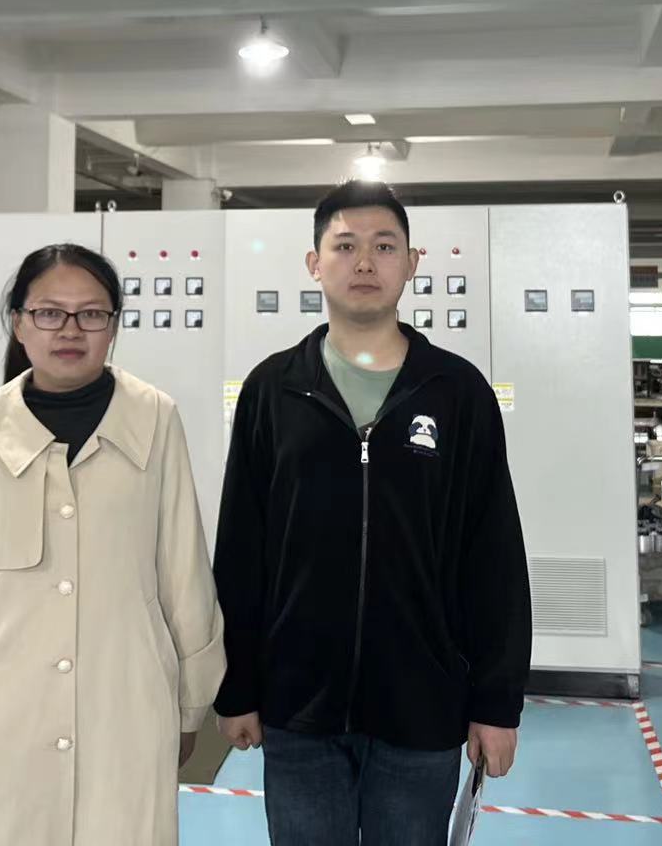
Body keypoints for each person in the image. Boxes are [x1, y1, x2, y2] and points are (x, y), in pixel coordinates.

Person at [214, 182, 531, 845]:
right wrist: (236, 687)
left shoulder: (456, 391)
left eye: (384, 247)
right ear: (314, 263)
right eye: (345, 246)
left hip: (422, 707)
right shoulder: (273, 390)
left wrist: (497, 703)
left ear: (411, 263)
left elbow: (493, 556)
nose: (364, 262)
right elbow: (242, 550)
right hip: (298, 708)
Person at [0, 243, 225, 846]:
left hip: (125, 712)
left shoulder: (154, 419)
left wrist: (190, 704)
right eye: (49, 312)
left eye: (91, 314)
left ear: (113, 326)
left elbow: (183, 571)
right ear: (19, 323)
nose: (70, 330)